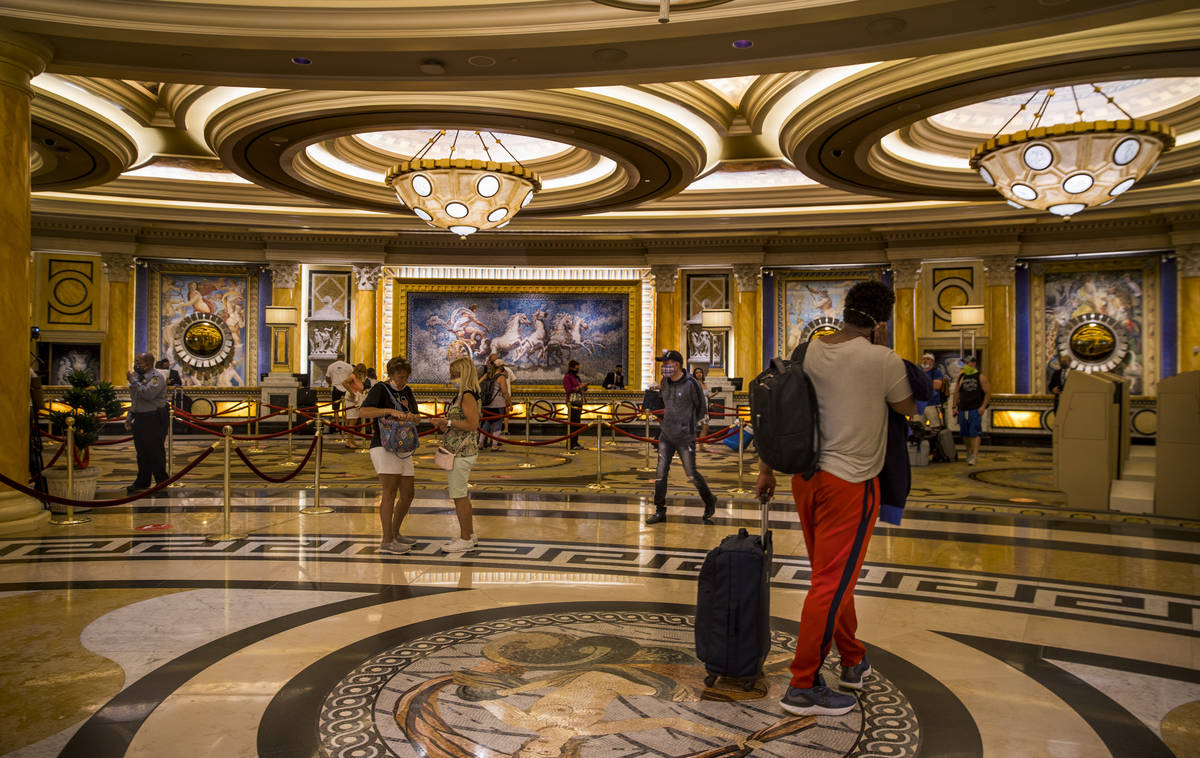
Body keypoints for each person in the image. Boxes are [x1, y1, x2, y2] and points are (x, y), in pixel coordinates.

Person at [755, 280, 916, 717]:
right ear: (882, 320)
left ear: (845, 310)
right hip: (852, 482)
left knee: (831, 577)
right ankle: (803, 685)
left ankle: (852, 659)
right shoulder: (883, 359)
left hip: (806, 479)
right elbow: (908, 408)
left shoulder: (809, 350)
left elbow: (778, 406)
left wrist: (765, 467)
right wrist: (885, 350)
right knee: (830, 583)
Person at [645, 350, 717, 525]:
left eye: (666, 363)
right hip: (666, 435)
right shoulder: (665, 382)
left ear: (676, 365)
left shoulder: (692, 384)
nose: (663, 367)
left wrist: (688, 425)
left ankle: (709, 499)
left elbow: (701, 409)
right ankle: (660, 510)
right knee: (661, 472)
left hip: (685, 437)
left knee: (691, 473)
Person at [357, 357, 421, 554]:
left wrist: (412, 417)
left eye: (406, 377)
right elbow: (363, 411)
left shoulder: (407, 391)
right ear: (391, 375)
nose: (403, 381)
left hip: (403, 446)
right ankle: (386, 539)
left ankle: (395, 532)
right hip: (383, 446)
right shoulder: (380, 389)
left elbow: (417, 417)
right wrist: (388, 410)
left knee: (408, 492)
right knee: (390, 491)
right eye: (400, 377)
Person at [431, 355, 482, 552]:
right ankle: (469, 534)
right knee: (461, 494)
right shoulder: (463, 394)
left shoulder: (467, 394)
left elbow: (472, 424)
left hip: (462, 452)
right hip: (459, 449)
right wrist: (446, 425)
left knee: (459, 495)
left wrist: (449, 422)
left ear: (462, 373)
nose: (451, 377)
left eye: (454, 374)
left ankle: (465, 539)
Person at [125, 352, 169, 494]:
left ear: (149, 363)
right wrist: (130, 415)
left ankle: (162, 481)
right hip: (140, 417)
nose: (136, 364)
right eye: (136, 361)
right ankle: (142, 481)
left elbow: (148, 394)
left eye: (139, 362)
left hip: (154, 418)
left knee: (155, 452)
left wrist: (133, 381)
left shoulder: (156, 378)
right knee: (142, 452)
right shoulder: (138, 378)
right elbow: (136, 399)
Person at [953, 354, 990, 466]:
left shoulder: (980, 376)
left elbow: (988, 393)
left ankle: (974, 455)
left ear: (974, 364)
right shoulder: (961, 377)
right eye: (966, 363)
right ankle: (968, 452)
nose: (968, 365)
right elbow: (956, 392)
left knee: (974, 433)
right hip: (963, 408)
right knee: (965, 433)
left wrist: (983, 406)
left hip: (975, 409)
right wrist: (954, 407)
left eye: (970, 363)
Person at [479, 354, 511, 451]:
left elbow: (478, 384)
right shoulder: (501, 377)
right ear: (501, 367)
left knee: (486, 423)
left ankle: (480, 443)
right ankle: (494, 445)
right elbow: (505, 392)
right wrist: (510, 403)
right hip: (499, 404)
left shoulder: (487, 375)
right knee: (498, 423)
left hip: (487, 403)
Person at [342, 363, 372, 448]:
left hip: (356, 400)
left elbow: (360, 389)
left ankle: (352, 440)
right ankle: (348, 441)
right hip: (351, 400)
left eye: (363, 372)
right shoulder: (353, 376)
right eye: (360, 371)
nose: (361, 373)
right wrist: (352, 392)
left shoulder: (360, 378)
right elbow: (344, 383)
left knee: (354, 421)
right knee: (352, 421)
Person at [562, 359, 588, 451]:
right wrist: (579, 387)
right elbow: (568, 390)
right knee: (572, 424)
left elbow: (580, 389)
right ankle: (571, 443)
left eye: (578, 368)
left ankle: (575, 442)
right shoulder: (568, 377)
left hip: (579, 402)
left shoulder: (577, 377)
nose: (577, 369)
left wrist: (584, 387)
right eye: (576, 368)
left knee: (577, 424)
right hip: (572, 403)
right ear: (571, 368)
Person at [915, 353, 945, 426]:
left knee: (935, 427)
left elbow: (937, 385)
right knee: (917, 427)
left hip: (932, 405)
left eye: (928, 359)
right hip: (919, 406)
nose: (925, 361)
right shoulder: (918, 372)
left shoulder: (936, 372)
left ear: (932, 362)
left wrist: (921, 384)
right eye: (924, 359)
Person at [325, 351, 353, 423]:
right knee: (347, 409)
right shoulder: (349, 366)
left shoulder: (331, 366)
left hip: (335, 389)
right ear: (344, 358)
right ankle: (346, 426)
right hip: (347, 389)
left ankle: (337, 426)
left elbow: (327, 377)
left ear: (337, 358)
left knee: (336, 409)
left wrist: (330, 383)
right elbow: (353, 377)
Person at [691, 366, 711, 444]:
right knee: (693, 427)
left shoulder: (704, 384)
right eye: (697, 373)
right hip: (697, 408)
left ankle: (701, 444)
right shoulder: (694, 384)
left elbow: (706, 396)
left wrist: (714, 394)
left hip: (705, 407)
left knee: (705, 426)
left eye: (700, 372)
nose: (699, 374)